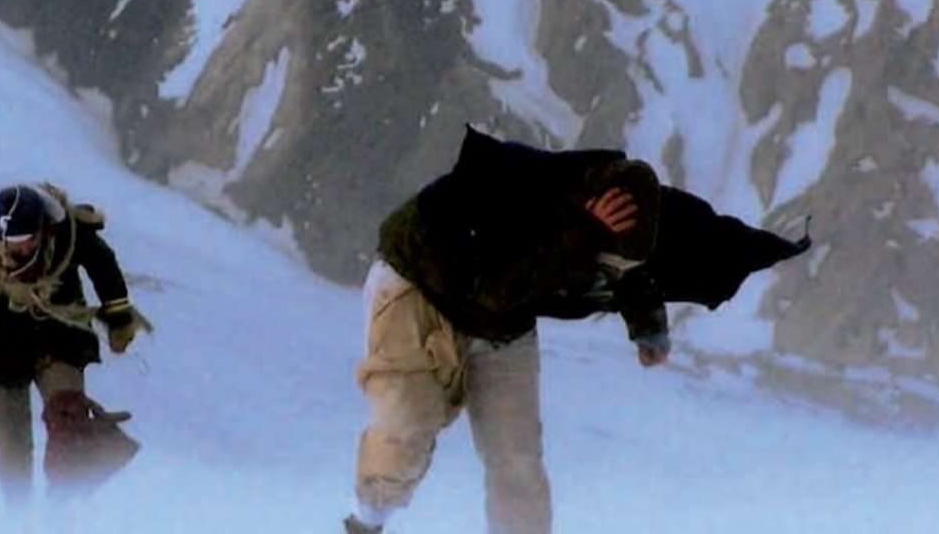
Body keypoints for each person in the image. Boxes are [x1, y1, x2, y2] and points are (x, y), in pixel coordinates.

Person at [345, 127, 810, 534]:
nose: (609, 272)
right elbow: (498, 287)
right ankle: (365, 524)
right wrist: (583, 233)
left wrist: (647, 328)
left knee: (519, 463)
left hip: (504, 323)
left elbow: (632, 269)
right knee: (407, 426)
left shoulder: (626, 209)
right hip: (420, 287)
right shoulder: (518, 191)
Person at [0, 182, 151, 506]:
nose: (21, 251)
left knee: (68, 420)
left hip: (60, 342)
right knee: (13, 450)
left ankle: (62, 510)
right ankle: (17, 519)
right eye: (12, 243)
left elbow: (103, 265)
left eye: (28, 241)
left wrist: (119, 318)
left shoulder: (68, 236)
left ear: (44, 230)